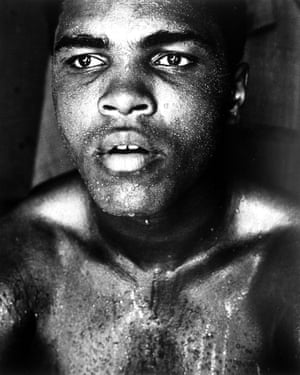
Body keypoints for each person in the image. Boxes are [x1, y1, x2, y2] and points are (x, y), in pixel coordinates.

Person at [0, 0, 300, 373]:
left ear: (234, 93)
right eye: (84, 61)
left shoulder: (286, 266)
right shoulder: (19, 258)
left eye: (172, 60)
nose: (123, 97)